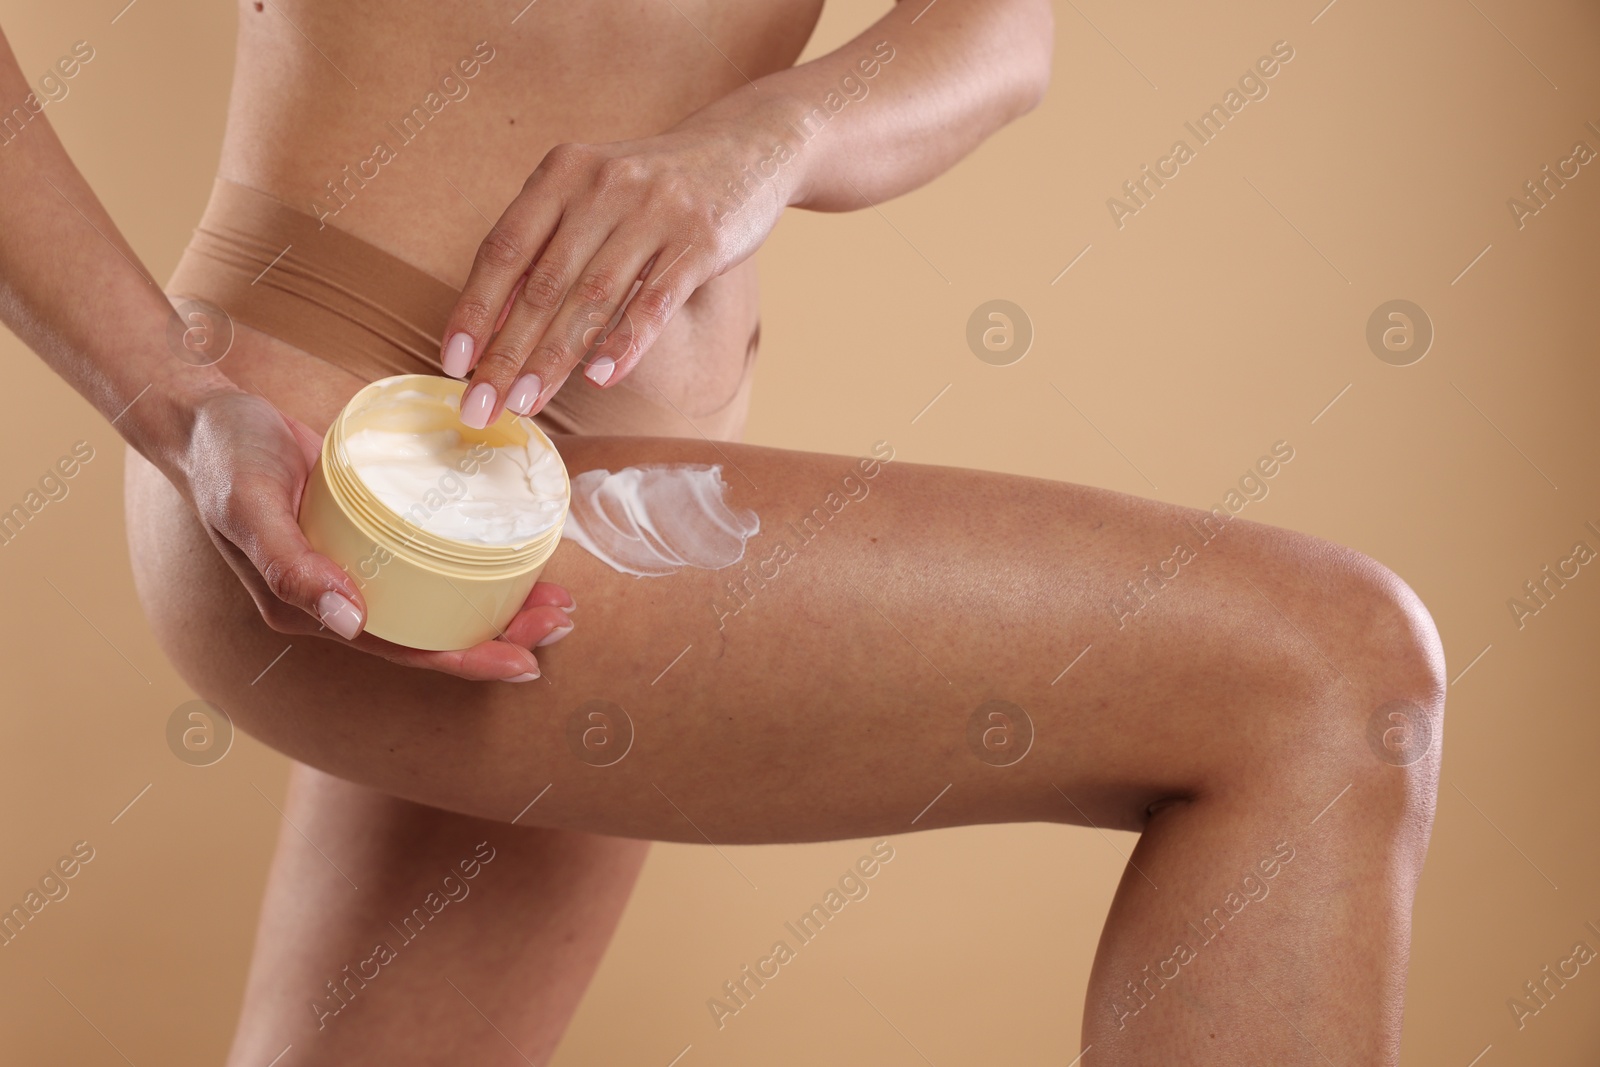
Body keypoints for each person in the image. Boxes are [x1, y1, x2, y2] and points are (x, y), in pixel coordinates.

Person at [0, 2, 1444, 1063]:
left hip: (632, 469)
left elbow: (1003, 33)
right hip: (344, 464)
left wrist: (779, 128)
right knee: (1324, 677)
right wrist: (174, 398)